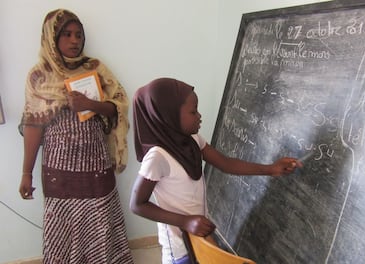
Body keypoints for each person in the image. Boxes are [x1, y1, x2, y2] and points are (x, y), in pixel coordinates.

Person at [130, 78, 302, 264]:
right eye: (193, 111)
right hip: (179, 247)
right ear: (168, 116)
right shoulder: (157, 157)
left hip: (198, 236)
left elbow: (226, 163)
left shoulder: (192, 139)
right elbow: (137, 205)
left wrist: (271, 169)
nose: (199, 116)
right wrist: (185, 221)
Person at [18, 9, 133, 263]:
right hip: (59, 171)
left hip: (96, 166)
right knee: (62, 231)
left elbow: (118, 106)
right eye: (67, 35)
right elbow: (33, 127)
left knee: (100, 224)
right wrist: (26, 173)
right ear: (51, 37)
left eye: (79, 35)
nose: (74, 41)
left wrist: (89, 104)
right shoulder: (38, 77)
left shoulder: (95, 69)